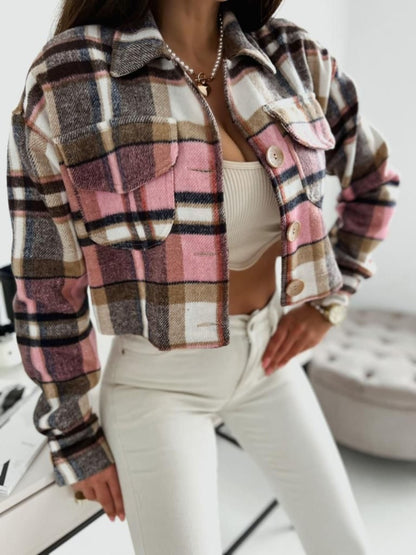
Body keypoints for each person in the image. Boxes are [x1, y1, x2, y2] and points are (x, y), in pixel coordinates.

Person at [6, 0, 399, 553]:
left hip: (268, 360)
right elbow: (46, 283)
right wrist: (74, 435)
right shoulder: (69, 76)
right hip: (156, 386)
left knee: (348, 545)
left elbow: (374, 179)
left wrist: (327, 302)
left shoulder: (291, 54)